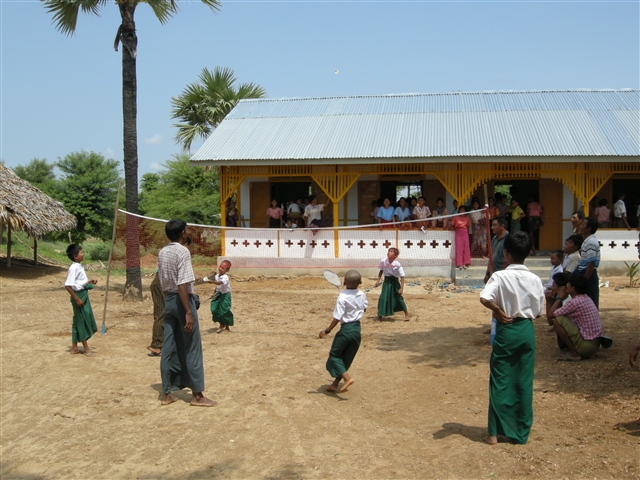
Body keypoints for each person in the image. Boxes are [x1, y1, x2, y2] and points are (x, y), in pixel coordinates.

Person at [479, 231, 544, 445]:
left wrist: (497, 311)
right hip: (526, 329)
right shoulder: (535, 279)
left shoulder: (500, 276)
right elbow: (539, 312)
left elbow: (485, 297)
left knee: (500, 379)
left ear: (505, 253)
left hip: (507, 328)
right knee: (524, 381)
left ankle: (493, 433)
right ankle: (520, 432)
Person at [157, 219, 216, 407]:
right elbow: (182, 284)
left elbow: (163, 280)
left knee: (168, 347)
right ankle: (197, 396)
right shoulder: (183, 251)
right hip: (182, 301)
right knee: (192, 347)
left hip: (169, 301)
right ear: (183, 232)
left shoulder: (162, 251)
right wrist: (188, 312)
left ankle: (167, 393)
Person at [318, 269, 367, 393]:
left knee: (334, 356)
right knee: (345, 359)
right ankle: (335, 384)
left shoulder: (342, 296)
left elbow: (337, 317)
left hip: (346, 330)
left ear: (344, 282)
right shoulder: (362, 294)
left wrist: (327, 330)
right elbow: (364, 309)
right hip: (357, 330)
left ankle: (347, 379)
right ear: (360, 282)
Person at [148, 234, 193, 357]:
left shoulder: (169, 252)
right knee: (161, 313)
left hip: (162, 284)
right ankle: (157, 345)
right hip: (160, 284)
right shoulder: (177, 252)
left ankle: (162, 343)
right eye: (188, 246)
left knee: (163, 313)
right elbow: (179, 282)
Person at [547, 274, 604, 361]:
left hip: (586, 347)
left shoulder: (574, 302)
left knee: (558, 320)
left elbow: (551, 316)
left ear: (573, 288)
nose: (566, 286)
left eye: (568, 284)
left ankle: (574, 353)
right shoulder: (585, 297)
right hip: (594, 344)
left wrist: (559, 298)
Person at [64, 244, 98, 357]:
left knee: (77, 321)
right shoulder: (73, 268)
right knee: (82, 320)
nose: (83, 254)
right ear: (75, 256)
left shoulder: (79, 266)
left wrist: (88, 282)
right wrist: (77, 299)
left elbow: (78, 283)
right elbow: (68, 285)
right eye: (81, 252)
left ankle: (74, 347)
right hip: (79, 296)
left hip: (82, 293)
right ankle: (86, 348)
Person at [374, 248, 410, 321]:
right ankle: (380, 315)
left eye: (391, 252)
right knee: (383, 298)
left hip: (395, 282)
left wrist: (401, 288)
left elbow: (402, 277)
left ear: (395, 255)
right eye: (388, 251)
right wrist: (378, 281)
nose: (389, 253)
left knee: (398, 298)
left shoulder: (397, 264)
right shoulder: (383, 261)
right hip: (387, 282)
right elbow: (381, 271)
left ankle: (406, 314)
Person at [577, 218, 601, 309]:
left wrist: (585, 279)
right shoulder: (587, 241)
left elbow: (591, 262)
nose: (580, 226)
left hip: (588, 273)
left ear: (588, 229)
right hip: (585, 272)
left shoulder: (590, 242)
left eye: (583, 225)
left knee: (591, 300)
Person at [208, 260, 234, 334]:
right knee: (214, 309)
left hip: (225, 295)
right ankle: (221, 324)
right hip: (218, 293)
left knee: (224, 311)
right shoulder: (217, 276)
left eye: (223, 268)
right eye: (220, 267)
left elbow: (220, 283)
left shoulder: (225, 277)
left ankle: (227, 326)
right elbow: (217, 286)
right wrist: (213, 293)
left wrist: (212, 281)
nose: (220, 268)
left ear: (227, 270)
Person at [484, 216, 509, 284]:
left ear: (502, 226)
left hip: (504, 275)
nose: (492, 227)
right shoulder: (494, 238)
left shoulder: (509, 239)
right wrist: (487, 273)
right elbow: (491, 256)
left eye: (494, 225)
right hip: (493, 274)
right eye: (492, 225)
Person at [452, 205, 471, 269]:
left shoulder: (467, 218)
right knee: (459, 247)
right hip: (458, 232)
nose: (462, 211)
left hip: (465, 232)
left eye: (463, 210)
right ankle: (459, 264)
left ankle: (466, 263)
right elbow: (452, 225)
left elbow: (468, 226)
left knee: (466, 247)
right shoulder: (456, 217)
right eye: (461, 210)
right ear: (459, 210)